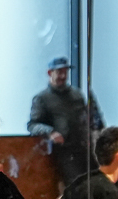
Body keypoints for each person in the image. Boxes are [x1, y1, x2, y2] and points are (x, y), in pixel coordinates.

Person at [28, 57, 105, 188]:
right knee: (77, 187)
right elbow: (32, 125)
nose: (63, 76)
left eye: (65, 72)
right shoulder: (42, 98)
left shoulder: (77, 95)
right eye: (59, 72)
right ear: (50, 73)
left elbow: (89, 118)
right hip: (64, 152)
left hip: (85, 150)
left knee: (96, 184)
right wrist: (50, 132)